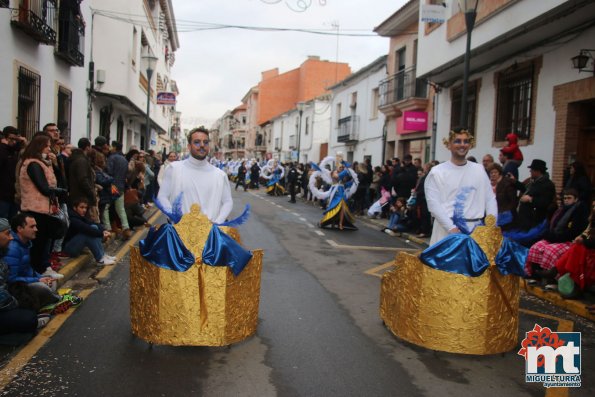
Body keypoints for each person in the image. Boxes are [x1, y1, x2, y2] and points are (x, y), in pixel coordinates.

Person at [424, 128, 497, 245]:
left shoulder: (479, 169)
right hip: (447, 232)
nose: (462, 145)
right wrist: (452, 229)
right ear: (448, 145)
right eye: (458, 141)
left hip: (476, 231)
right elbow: (433, 204)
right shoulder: (437, 172)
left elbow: (490, 198)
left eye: (466, 141)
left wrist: (491, 224)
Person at [157, 126, 233, 223]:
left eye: (205, 142)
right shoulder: (174, 169)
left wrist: (217, 223)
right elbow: (162, 196)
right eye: (197, 142)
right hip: (179, 233)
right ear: (189, 146)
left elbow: (227, 201)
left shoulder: (220, 175)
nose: (202, 145)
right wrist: (175, 218)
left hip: (210, 234)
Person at [18, 135, 67, 277]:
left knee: (46, 240)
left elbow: (58, 179)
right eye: (46, 146)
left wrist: (56, 164)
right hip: (35, 208)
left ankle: (44, 267)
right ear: (39, 147)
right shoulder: (33, 164)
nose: (49, 149)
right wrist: (60, 192)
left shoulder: (44, 163)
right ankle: (39, 270)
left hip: (45, 208)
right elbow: (44, 188)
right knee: (39, 242)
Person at [524, 188, 589, 288]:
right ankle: (536, 275)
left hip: (568, 240)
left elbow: (573, 231)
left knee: (552, 251)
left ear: (576, 199)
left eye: (569, 198)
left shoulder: (579, 212)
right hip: (555, 237)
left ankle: (553, 280)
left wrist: (554, 237)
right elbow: (553, 225)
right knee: (536, 247)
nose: (566, 200)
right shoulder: (561, 210)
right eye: (565, 198)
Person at [0, 217, 43, 338]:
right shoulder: (12, 249)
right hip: (5, 302)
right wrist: (17, 303)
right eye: (7, 234)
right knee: (29, 319)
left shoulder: (5, 250)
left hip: (7, 299)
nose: (11, 237)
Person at [309, 156, 359, 230]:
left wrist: (352, 182)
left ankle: (340, 223)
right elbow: (338, 177)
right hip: (336, 192)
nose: (341, 168)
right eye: (340, 167)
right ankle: (332, 222)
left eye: (342, 167)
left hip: (342, 191)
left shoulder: (344, 174)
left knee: (342, 207)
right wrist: (347, 170)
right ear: (337, 167)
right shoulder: (333, 173)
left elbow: (344, 184)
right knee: (336, 206)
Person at [63, 199, 116, 266]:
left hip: (75, 245)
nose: (84, 210)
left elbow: (92, 223)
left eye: (85, 208)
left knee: (94, 227)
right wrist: (101, 234)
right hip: (68, 249)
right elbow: (85, 228)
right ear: (75, 208)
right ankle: (100, 260)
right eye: (81, 207)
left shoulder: (79, 216)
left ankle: (103, 255)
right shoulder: (73, 218)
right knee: (87, 234)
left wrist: (103, 230)